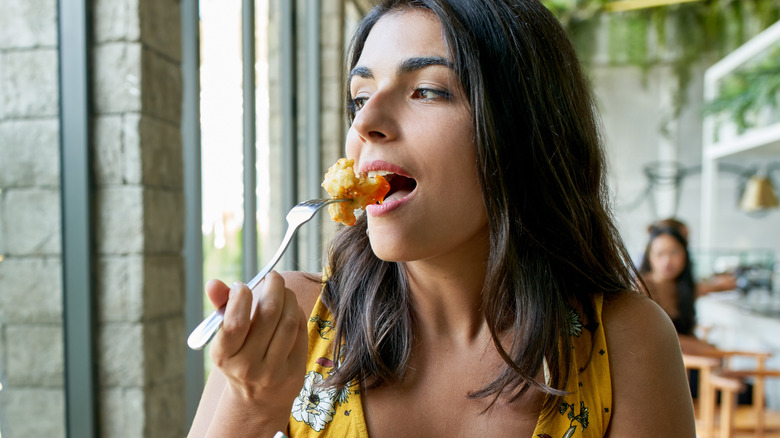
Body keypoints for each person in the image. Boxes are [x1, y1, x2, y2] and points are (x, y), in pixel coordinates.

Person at [189, 1, 696, 436]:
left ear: (524, 130)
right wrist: (249, 412)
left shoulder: (627, 344)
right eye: (359, 98)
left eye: (427, 90)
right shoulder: (289, 323)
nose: (364, 122)